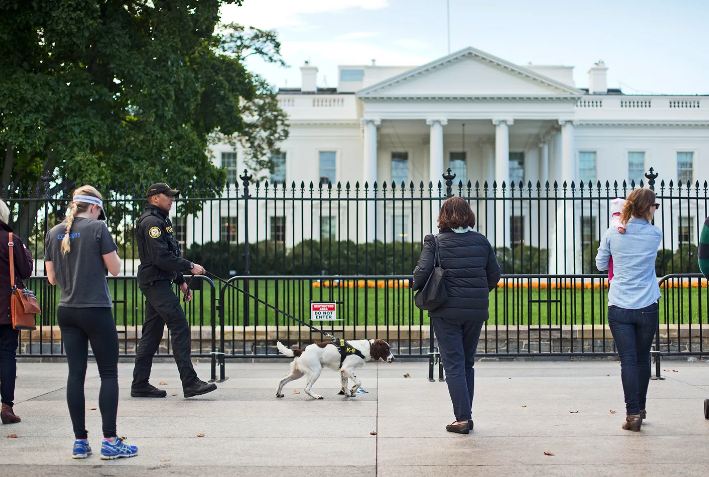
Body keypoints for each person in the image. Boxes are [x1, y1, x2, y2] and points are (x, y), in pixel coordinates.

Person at [45, 186, 138, 459]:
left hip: (67, 310)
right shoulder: (98, 229)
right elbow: (115, 268)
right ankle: (109, 441)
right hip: (95, 308)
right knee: (108, 373)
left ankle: (80, 442)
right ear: (95, 207)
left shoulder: (53, 232)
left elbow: (51, 278)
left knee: (76, 374)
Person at [412, 196, 501, 434]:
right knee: (467, 363)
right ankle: (466, 415)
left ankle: (462, 418)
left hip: (445, 310)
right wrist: (475, 293)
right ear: (468, 214)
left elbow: (420, 276)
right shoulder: (481, 241)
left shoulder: (435, 241)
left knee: (453, 363)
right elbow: (494, 275)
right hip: (475, 311)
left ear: (444, 215)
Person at [131, 183, 215, 399]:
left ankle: (139, 384)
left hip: (159, 281)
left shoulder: (161, 220)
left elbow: (168, 254)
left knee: (151, 335)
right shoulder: (152, 222)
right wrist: (189, 266)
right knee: (180, 327)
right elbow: (160, 257)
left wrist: (180, 281)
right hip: (155, 283)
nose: (172, 199)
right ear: (154, 198)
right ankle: (190, 382)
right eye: (168, 196)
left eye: (172, 196)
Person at [595, 187, 662, 432]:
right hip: (647, 305)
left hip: (620, 304)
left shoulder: (613, 232)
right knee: (643, 359)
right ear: (649, 208)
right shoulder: (656, 234)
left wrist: (619, 228)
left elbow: (601, 264)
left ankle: (632, 412)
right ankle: (641, 407)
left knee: (629, 361)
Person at [0, 199, 33, 425]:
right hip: (6, 308)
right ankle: (7, 405)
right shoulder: (10, 240)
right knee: (7, 355)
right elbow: (26, 270)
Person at [607, 198, 627, 282]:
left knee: (612, 262)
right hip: (619, 246)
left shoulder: (614, 218)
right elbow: (619, 224)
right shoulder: (620, 218)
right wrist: (622, 227)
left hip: (614, 246)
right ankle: (612, 277)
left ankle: (611, 277)